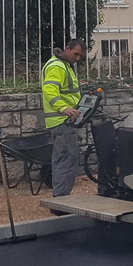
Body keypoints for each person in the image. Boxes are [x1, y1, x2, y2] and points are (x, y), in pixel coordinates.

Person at [41, 39, 87, 198]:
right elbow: (49, 90)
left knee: (63, 159)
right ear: (67, 48)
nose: (78, 58)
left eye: (81, 56)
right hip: (63, 121)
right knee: (66, 161)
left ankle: (61, 197)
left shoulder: (64, 65)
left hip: (65, 121)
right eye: (76, 54)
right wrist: (64, 108)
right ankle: (61, 199)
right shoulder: (57, 66)